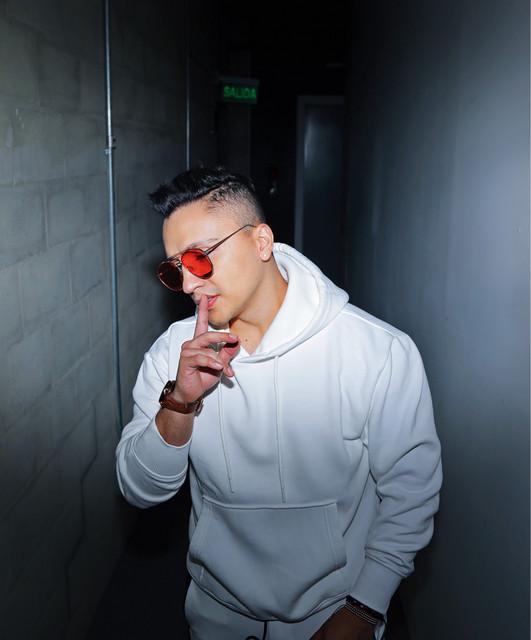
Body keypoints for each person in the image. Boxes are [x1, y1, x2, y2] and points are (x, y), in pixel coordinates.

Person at [115, 167, 442, 640]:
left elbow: (411, 494)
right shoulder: (172, 353)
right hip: (216, 615)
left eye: (199, 258)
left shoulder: (376, 351)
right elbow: (140, 489)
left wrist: (365, 608)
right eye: (174, 269)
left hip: (332, 615)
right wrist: (180, 403)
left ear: (261, 242)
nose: (187, 284)